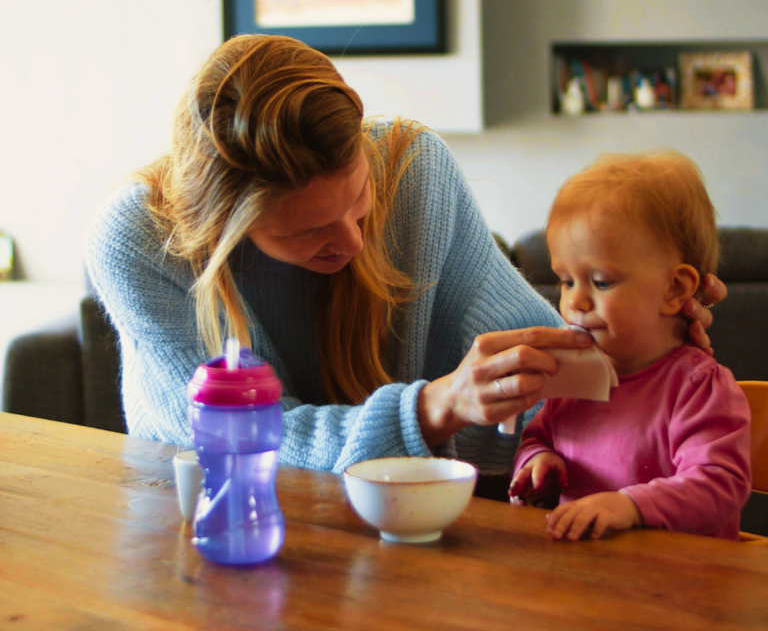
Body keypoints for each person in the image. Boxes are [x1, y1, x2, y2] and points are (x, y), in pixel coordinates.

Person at [86, 35, 725, 476]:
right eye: (305, 234)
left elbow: (546, 386)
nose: (354, 242)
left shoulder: (409, 169)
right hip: (212, 540)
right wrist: (431, 409)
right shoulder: (140, 240)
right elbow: (244, 444)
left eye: (358, 199)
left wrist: (646, 340)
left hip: (397, 543)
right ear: (223, 224)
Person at [509, 151, 750, 540]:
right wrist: (538, 461)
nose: (576, 303)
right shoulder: (572, 378)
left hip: (680, 586)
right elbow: (537, 436)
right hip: (585, 580)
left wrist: (628, 505)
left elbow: (720, 485)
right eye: (567, 281)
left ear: (675, 289)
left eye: (601, 282)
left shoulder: (698, 387)